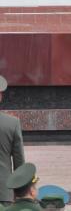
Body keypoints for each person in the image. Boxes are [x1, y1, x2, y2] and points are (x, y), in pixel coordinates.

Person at [0, 75, 25, 206]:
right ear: (0, 96)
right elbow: (19, 161)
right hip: (4, 191)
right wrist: (20, 191)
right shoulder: (12, 123)